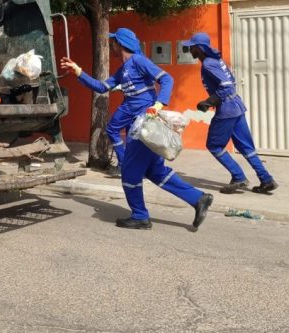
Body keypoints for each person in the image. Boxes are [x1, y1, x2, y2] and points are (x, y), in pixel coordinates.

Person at [60, 27, 213, 230]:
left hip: (146, 127)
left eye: (113, 42)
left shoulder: (139, 61)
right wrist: (78, 71)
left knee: (130, 174)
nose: (111, 45)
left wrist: (158, 104)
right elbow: (102, 87)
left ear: (120, 44)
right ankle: (198, 198)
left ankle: (140, 216)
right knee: (156, 171)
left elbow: (167, 79)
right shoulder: (122, 70)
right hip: (139, 129)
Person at [183, 32, 278, 194]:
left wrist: (209, 101)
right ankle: (266, 179)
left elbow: (226, 86)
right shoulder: (216, 60)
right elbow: (231, 81)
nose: (189, 50)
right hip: (236, 106)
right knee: (246, 147)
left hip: (227, 109)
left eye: (191, 47)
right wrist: (212, 100)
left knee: (214, 145)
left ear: (199, 48)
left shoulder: (208, 64)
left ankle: (238, 177)